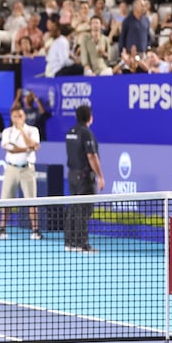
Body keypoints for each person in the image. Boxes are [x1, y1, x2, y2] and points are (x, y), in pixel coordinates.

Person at [0, 105, 43, 241]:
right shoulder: (7, 132)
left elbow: (34, 145)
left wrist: (22, 131)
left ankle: (35, 231)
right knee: (6, 201)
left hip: (27, 169)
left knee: (32, 201)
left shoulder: (33, 130)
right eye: (15, 116)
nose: (18, 119)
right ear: (11, 117)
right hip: (11, 169)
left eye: (20, 116)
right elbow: (10, 149)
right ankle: (2, 229)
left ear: (24, 116)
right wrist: (28, 148)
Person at [64, 105, 104, 253]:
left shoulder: (70, 132)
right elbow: (91, 156)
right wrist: (100, 176)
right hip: (84, 177)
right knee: (84, 210)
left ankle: (70, 242)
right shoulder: (86, 133)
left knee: (74, 208)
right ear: (90, 117)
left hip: (72, 175)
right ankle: (82, 244)